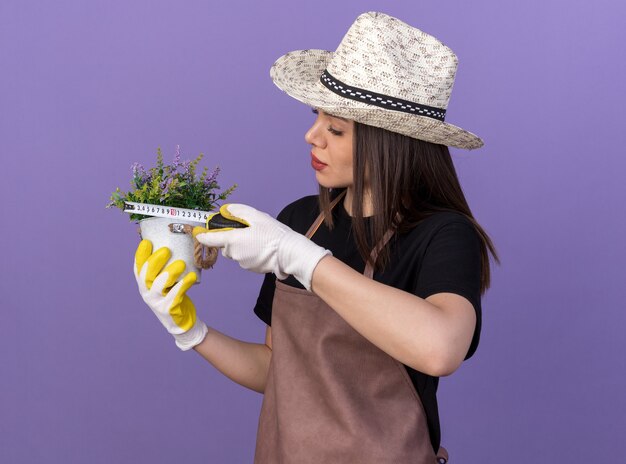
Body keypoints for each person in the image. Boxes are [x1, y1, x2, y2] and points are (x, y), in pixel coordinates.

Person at [132, 11, 499, 464]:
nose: (311, 137)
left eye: (336, 129)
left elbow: (441, 348)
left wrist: (299, 257)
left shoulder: (442, 234)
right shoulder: (301, 219)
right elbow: (276, 370)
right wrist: (191, 332)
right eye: (315, 119)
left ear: (391, 143)